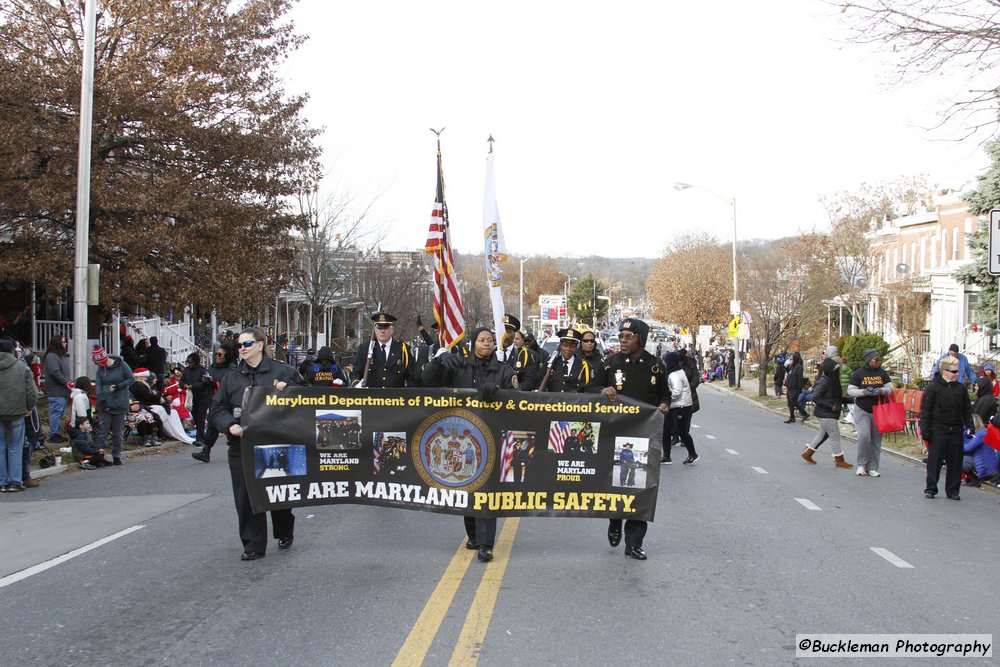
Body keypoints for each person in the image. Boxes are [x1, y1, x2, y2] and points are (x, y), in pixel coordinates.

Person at [422, 326, 517, 563]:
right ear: (473, 343)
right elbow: (428, 381)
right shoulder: (460, 366)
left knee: (486, 491)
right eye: (482, 340)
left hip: (492, 438)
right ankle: (473, 535)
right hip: (463, 437)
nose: (486, 343)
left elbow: (519, 400)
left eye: (490, 340)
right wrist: (440, 360)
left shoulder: (504, 370)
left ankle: (486, 544)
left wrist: (499, 392)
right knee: (466, 485)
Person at [211, 327, 302, 561]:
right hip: (242, 444)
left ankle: (284, 530)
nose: (242, 349)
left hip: (275, 442)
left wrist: (289, 390)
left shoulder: (283, 371)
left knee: (278, 493)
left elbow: (307, 397)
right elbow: (217, 408)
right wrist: (230, 424)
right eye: (240, 345)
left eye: (247, 344)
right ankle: (253, 543)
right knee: (245, 496)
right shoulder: (231, 377)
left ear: (260, 345)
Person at [594, 318, 669, 561]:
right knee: (617, 484)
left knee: (640, 489)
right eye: (621, 336)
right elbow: (589, 389)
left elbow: (664, 395)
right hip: (614, 434)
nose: (623, 341)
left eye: (629, 336)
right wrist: (602, 391)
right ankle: (614, 521)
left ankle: (634, 543)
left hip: (643, 437)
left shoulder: (655, 366)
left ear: (640, 338)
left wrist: (664, 404)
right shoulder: (609, 364)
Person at [920, 355, 974, 500]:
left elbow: (967, 409)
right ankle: (931, 488)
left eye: (957, 371)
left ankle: (953, 490)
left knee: (955, 461)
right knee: (935, 460)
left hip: (956, 429)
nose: (957, 374)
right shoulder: (933, 387)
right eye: (954, 372)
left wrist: (970, 425)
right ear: (944, 371)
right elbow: (926, 410)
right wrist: (925, 430)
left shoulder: (960, 388)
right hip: (938, 428)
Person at [847, 348, 893, 477]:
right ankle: (862, 465)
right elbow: (851, 391)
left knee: (876, 440)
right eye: (875, 359)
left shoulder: (882, 373)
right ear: (868, 360)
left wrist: (881, 391)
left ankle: (873, 467)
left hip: (878, 411)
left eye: (879, 359)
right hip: (862, 409)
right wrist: (864, 392)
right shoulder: (858, 373)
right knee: (864, 436)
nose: (878, 362)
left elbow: (890, 388)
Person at [0, 338, 38, 492]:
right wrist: (29, 407)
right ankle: (15, 481)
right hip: (17, 411)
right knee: (15, 447)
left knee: (0, 447)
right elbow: (32, 391)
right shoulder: (21, 367)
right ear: (12, 351)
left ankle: (1, 482)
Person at [800, 357, 852, 468]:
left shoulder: (833, 382)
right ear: (831, 371)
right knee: (835, 435)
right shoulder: (823, 382)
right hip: (825, 413)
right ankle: (839, 460)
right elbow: (816, 398)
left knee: (822, 434)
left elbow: (838, 398)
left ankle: (807, 453)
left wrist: (853, 399)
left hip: (828, 413)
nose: (838, 372)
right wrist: (831, 407)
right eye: (837, 370)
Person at [92, 343, 134, 465]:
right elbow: (98, 386)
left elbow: (130, 378)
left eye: (100, 362)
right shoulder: (100, 370)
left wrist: (118, 386)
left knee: (118, 431)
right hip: (105, 402)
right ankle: (96, 454)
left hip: (120, 400)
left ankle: (116, 454)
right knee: (102, 431)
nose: (99, 365)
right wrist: (102, 401)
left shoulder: (121, 365)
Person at [351, 312, 418, 387]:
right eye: (379, 327)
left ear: (392, 329)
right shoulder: (365, 349)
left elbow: (412, 379)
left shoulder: (403, 350)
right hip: (371, 397)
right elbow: (356, 372)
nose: (382, 331)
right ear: (374, 329)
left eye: (386, 327)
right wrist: (357, 385)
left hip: (396, 397)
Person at [192, 346, 234, 463]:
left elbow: (232, 385)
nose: (217, 356)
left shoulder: (232, 369)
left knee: (230, 426)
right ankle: (206, 451)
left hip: (228, 403)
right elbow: (204, 385)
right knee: (212, 426)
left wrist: (216, 383)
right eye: (216, 354)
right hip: (214, 401)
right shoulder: (212, 368)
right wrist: (205, 382)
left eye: (220, 354)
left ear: (226, 355)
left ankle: (237, 449)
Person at [663, 351, 698, 465]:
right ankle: (666, 456)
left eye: (666, 361)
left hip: (681, 406)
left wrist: (665, 400)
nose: (664, 363)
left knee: (682, 432)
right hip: (673, 406)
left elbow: (677, 392)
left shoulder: (675, 375)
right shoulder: (674, 371)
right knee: (666, 430)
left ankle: (693, 454)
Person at [539, 328, 597, 393]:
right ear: (560, 346)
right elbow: (540, 383)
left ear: (576, 348)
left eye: (572, 347)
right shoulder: (550, 363)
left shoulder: (584, 366)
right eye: (565, 346)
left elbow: (589, 389)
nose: (568, 349)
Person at [42, 333, 72, 443]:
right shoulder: (52, 356)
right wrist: (67, 383)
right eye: (63, 342)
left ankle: (56, 432)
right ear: (58, 344)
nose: (65, 344)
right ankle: (53, 434)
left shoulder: (60, 356)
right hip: (56, 391)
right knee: (56, 412)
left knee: (59, 413)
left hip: (62, 391)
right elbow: (55, 372)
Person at [181, 352, 214, 448]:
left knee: (201, 417)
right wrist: (184, 385)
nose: (189, 364)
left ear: (196, 362)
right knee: (195, 417)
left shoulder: (202, 370)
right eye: (188, 362)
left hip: (203, 397)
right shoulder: (187, 370)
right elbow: (182, 381)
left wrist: (194, 385)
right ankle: (202, 436)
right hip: (192, 398)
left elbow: (206, 382)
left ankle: (200, 438)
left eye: (191, 362)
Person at [499, 315, 540, 391]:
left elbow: (530, 381)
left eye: (507, 332)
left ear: (514, 334)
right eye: (501, 331)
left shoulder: (524, 355)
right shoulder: (490, 352)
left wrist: (513, 391)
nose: (504, 335)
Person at [783, 352, 809, 423]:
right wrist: (786, 366)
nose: (790, 360)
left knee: (794, 402)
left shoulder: (798, 367)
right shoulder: (792, 367)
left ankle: (804, 413)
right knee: (790, 403)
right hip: (789, 388)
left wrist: (799, 389)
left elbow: (800, 379)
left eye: (791, 359)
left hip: (795, 389)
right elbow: (788, 373)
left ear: (795, 359)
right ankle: (792, 417)